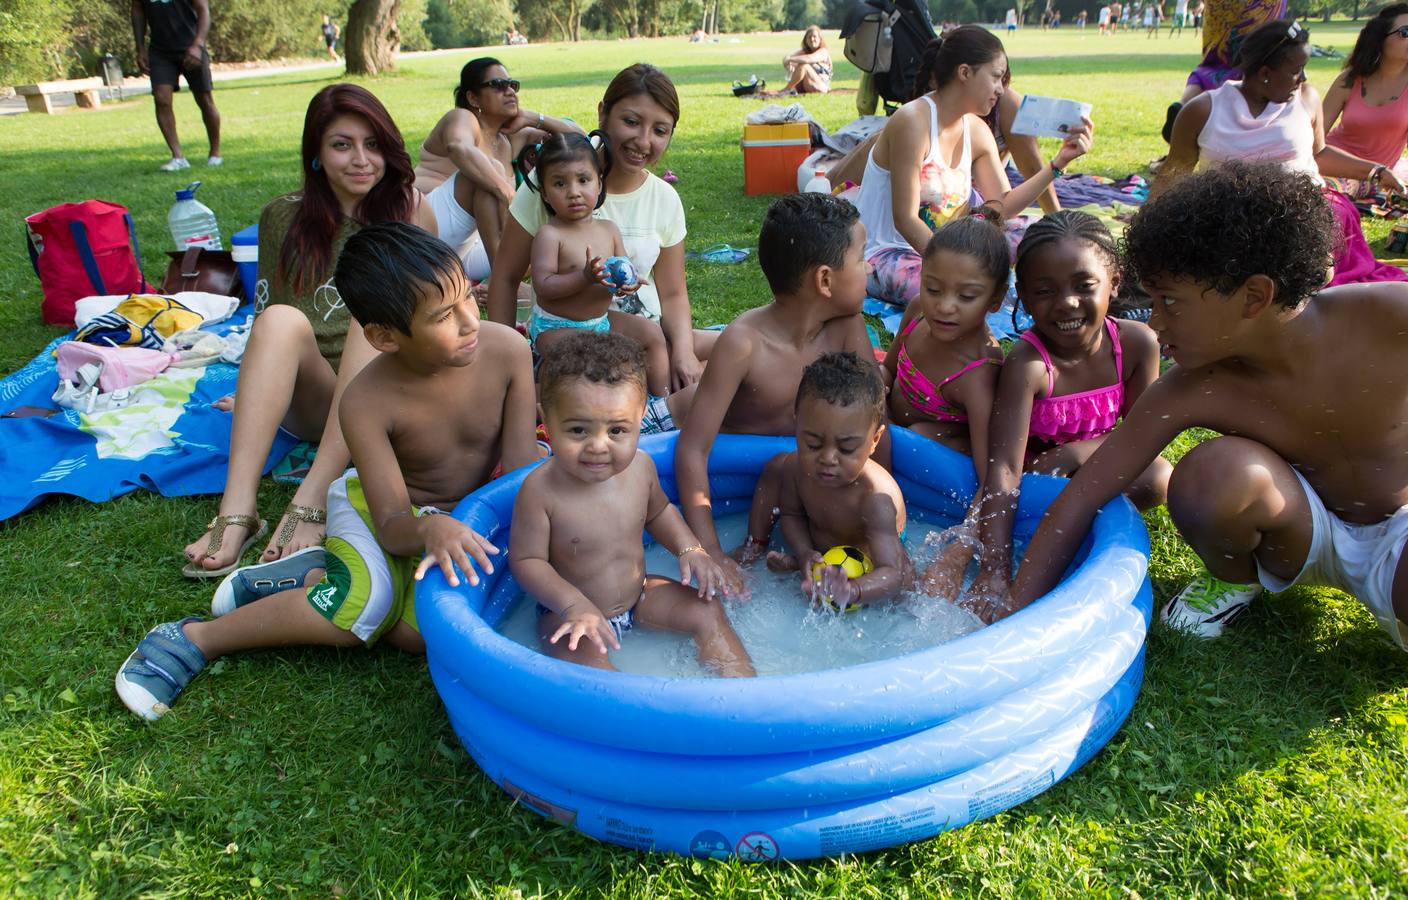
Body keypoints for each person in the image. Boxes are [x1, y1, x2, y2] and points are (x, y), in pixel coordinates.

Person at [974, 162, 1408, 655]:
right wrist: (1013, 607)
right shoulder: (1192, 387)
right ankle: (1235, 580)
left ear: (1253, 297)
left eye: (1170, 303)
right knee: (1210, 473)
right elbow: (1077, 502)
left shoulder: (1390, 320)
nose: (1155, 322)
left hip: (1399, 530)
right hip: (1299, 531)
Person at [117, 222, 540, 720]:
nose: (471, 322)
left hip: (455, 517)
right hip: (379, 511)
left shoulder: (508, 351)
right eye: (444, 315)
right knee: (365, 607)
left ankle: (308, 576)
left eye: (469, 297)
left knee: (418, 634)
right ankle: (196, 638)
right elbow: (394, 528)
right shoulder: (366, 402)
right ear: (384, 337)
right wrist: (431, 527)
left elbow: (519, 475)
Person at [180, 84, 439, 578]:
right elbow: (267, 317)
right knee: (281, 319)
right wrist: (258, 393)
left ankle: (315, 493)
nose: (361, 160)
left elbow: (427, 321)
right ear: (317, 155)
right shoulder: (282, 216)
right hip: (317, 396)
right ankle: (239, 509)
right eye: (342, 145)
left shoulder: (409, 208)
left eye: (373, 144)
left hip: (392, 392)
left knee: (376, 312)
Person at [510, 331, 754, 677]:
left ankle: (740, 692)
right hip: (568, 615)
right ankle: (630, 718)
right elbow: (526, 561)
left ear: (641, 420)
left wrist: (690, 550)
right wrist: (573, 605)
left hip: (638, 596)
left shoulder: (641, 468)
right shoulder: (541, 491)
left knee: (706, 611)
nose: (598, 445)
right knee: (588, 666)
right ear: (547, 423)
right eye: (579, 430)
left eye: (617, 431)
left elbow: (659, 512)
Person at [959, 210, 1169, 606]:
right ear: (1022, 296)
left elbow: (1146, 437)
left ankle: (1084, 521)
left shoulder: (1138, 345)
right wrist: (994, 569)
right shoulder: (1030, 366)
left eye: (1084, 285)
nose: (1066, 303)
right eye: (1044, 290)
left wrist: (1074, 452)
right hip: (1040, 482)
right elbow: (1005, 467)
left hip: (1098, 464)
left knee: (1158, 477)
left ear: (1115, 283)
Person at [676, 193, 872, 598]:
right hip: (669, 420)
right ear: (824, 280)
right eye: (862, 257)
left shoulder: (847, 329)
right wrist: (710, 550)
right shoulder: (744, 344)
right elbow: (691, 451)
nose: (869, 267)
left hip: (780, 460)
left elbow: (872, 424)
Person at [487, 64, 714, 393]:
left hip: (648, 334)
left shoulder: (664, 198)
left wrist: (684, 353)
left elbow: (674, 293)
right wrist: (503, 363)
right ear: (603, 114)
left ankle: (664, 400)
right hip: (576, 337)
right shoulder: (555, 184)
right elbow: (506, 278)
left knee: (743, 349)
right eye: (631, 122)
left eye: (660, 130)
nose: (643, 141)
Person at [1159, 19, 1408, 287]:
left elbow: (1320, 154)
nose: (1304, 79)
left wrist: (1376, 171)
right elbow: (1174, 175)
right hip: (1231, 218)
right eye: (1297, 70)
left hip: (1302, 212)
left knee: (1317, 266)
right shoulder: (1202, 110)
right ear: (1265, 73)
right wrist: (1154, 231)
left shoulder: (1306, 99)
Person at [856, 26, 1091, 308]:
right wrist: (960, 265)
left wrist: (1058, 163)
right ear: (965, 73)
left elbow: (1001, 206)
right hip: (891, 252)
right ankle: (979, 286)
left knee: (1041, 236)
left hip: (956, 250)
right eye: (996, 77)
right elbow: (906, 220)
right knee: (941, 290)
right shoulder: (913, 122)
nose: (1001, 89)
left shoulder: (977, 130)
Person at [519, 132, 669, 397]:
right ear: (544, 193)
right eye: (560, 184)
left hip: (600, 322)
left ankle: (660, 404)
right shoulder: (550, 235)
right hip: (556, 328)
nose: (574, 192)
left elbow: (622, 269)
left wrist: (629, 284)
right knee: (589, 368)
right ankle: (536, 393)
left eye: (583, 180)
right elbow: (544, 287)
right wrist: (584, 277)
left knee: (653, 336)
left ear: (599, 184)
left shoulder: (609, 230)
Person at [760, 352, 914, 610]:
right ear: (796, 426)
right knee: (776, 465)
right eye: (813, 444)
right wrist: (804, 552)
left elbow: (892, 571)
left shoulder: (875, 497)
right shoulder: (797, 468)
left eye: (846, 448)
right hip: (827, 553)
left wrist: (854, 589)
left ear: (874, 440)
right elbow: (792, 514)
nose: (828, 458)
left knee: (907, 584)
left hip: (872, 561)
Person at [416, 58, 584, 283]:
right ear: (473, 97)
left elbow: (581, 142)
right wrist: (506, 192)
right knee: (489, 171)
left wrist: (535, 118)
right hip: (423, 232)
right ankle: (503, 283)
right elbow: (458, 147)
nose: (509, 91)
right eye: (497, 85)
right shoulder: (462, 118)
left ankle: (490, 279)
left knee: (539, 249)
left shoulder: (510, 138)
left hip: (466, 249)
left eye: (512, 85)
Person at [880, 214, 1006, 464]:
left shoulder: (978, 370)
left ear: (996, 299)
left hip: (937, 443)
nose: (945, 307)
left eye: (967, 296)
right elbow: (888, 369)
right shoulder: (918, 311)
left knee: (918, 436)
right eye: (933, 290)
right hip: (891, 425)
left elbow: (988, 459)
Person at [1321, 5, 1408, 199]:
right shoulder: (1349, 80)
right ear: (1381, 38)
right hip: (1328, 161)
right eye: (1405, 32)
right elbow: (1314, 139)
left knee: (1322, 191)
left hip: (1371, 177)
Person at [130, 0, 220, 171]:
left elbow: (204, 10)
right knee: (161, 98)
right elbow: (137, 11)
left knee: (204, 99)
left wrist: (198, 44)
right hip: (160, 51)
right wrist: (140, 48)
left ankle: (215, 153)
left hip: (191, 47)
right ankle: (178, 157)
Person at [781, 26, 832, 94]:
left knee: (804, 65)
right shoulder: (803, 52)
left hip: (821, 87)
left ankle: (786, 90)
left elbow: (809, 58)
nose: (812, 39)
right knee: (800, 65)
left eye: (814, 36)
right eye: (809, 37)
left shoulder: (823, 52)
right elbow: (787, 59)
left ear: (820, 39)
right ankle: (790, 90)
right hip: (806, 85)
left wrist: (789, 59)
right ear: (806, 40)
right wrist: (789, 65)